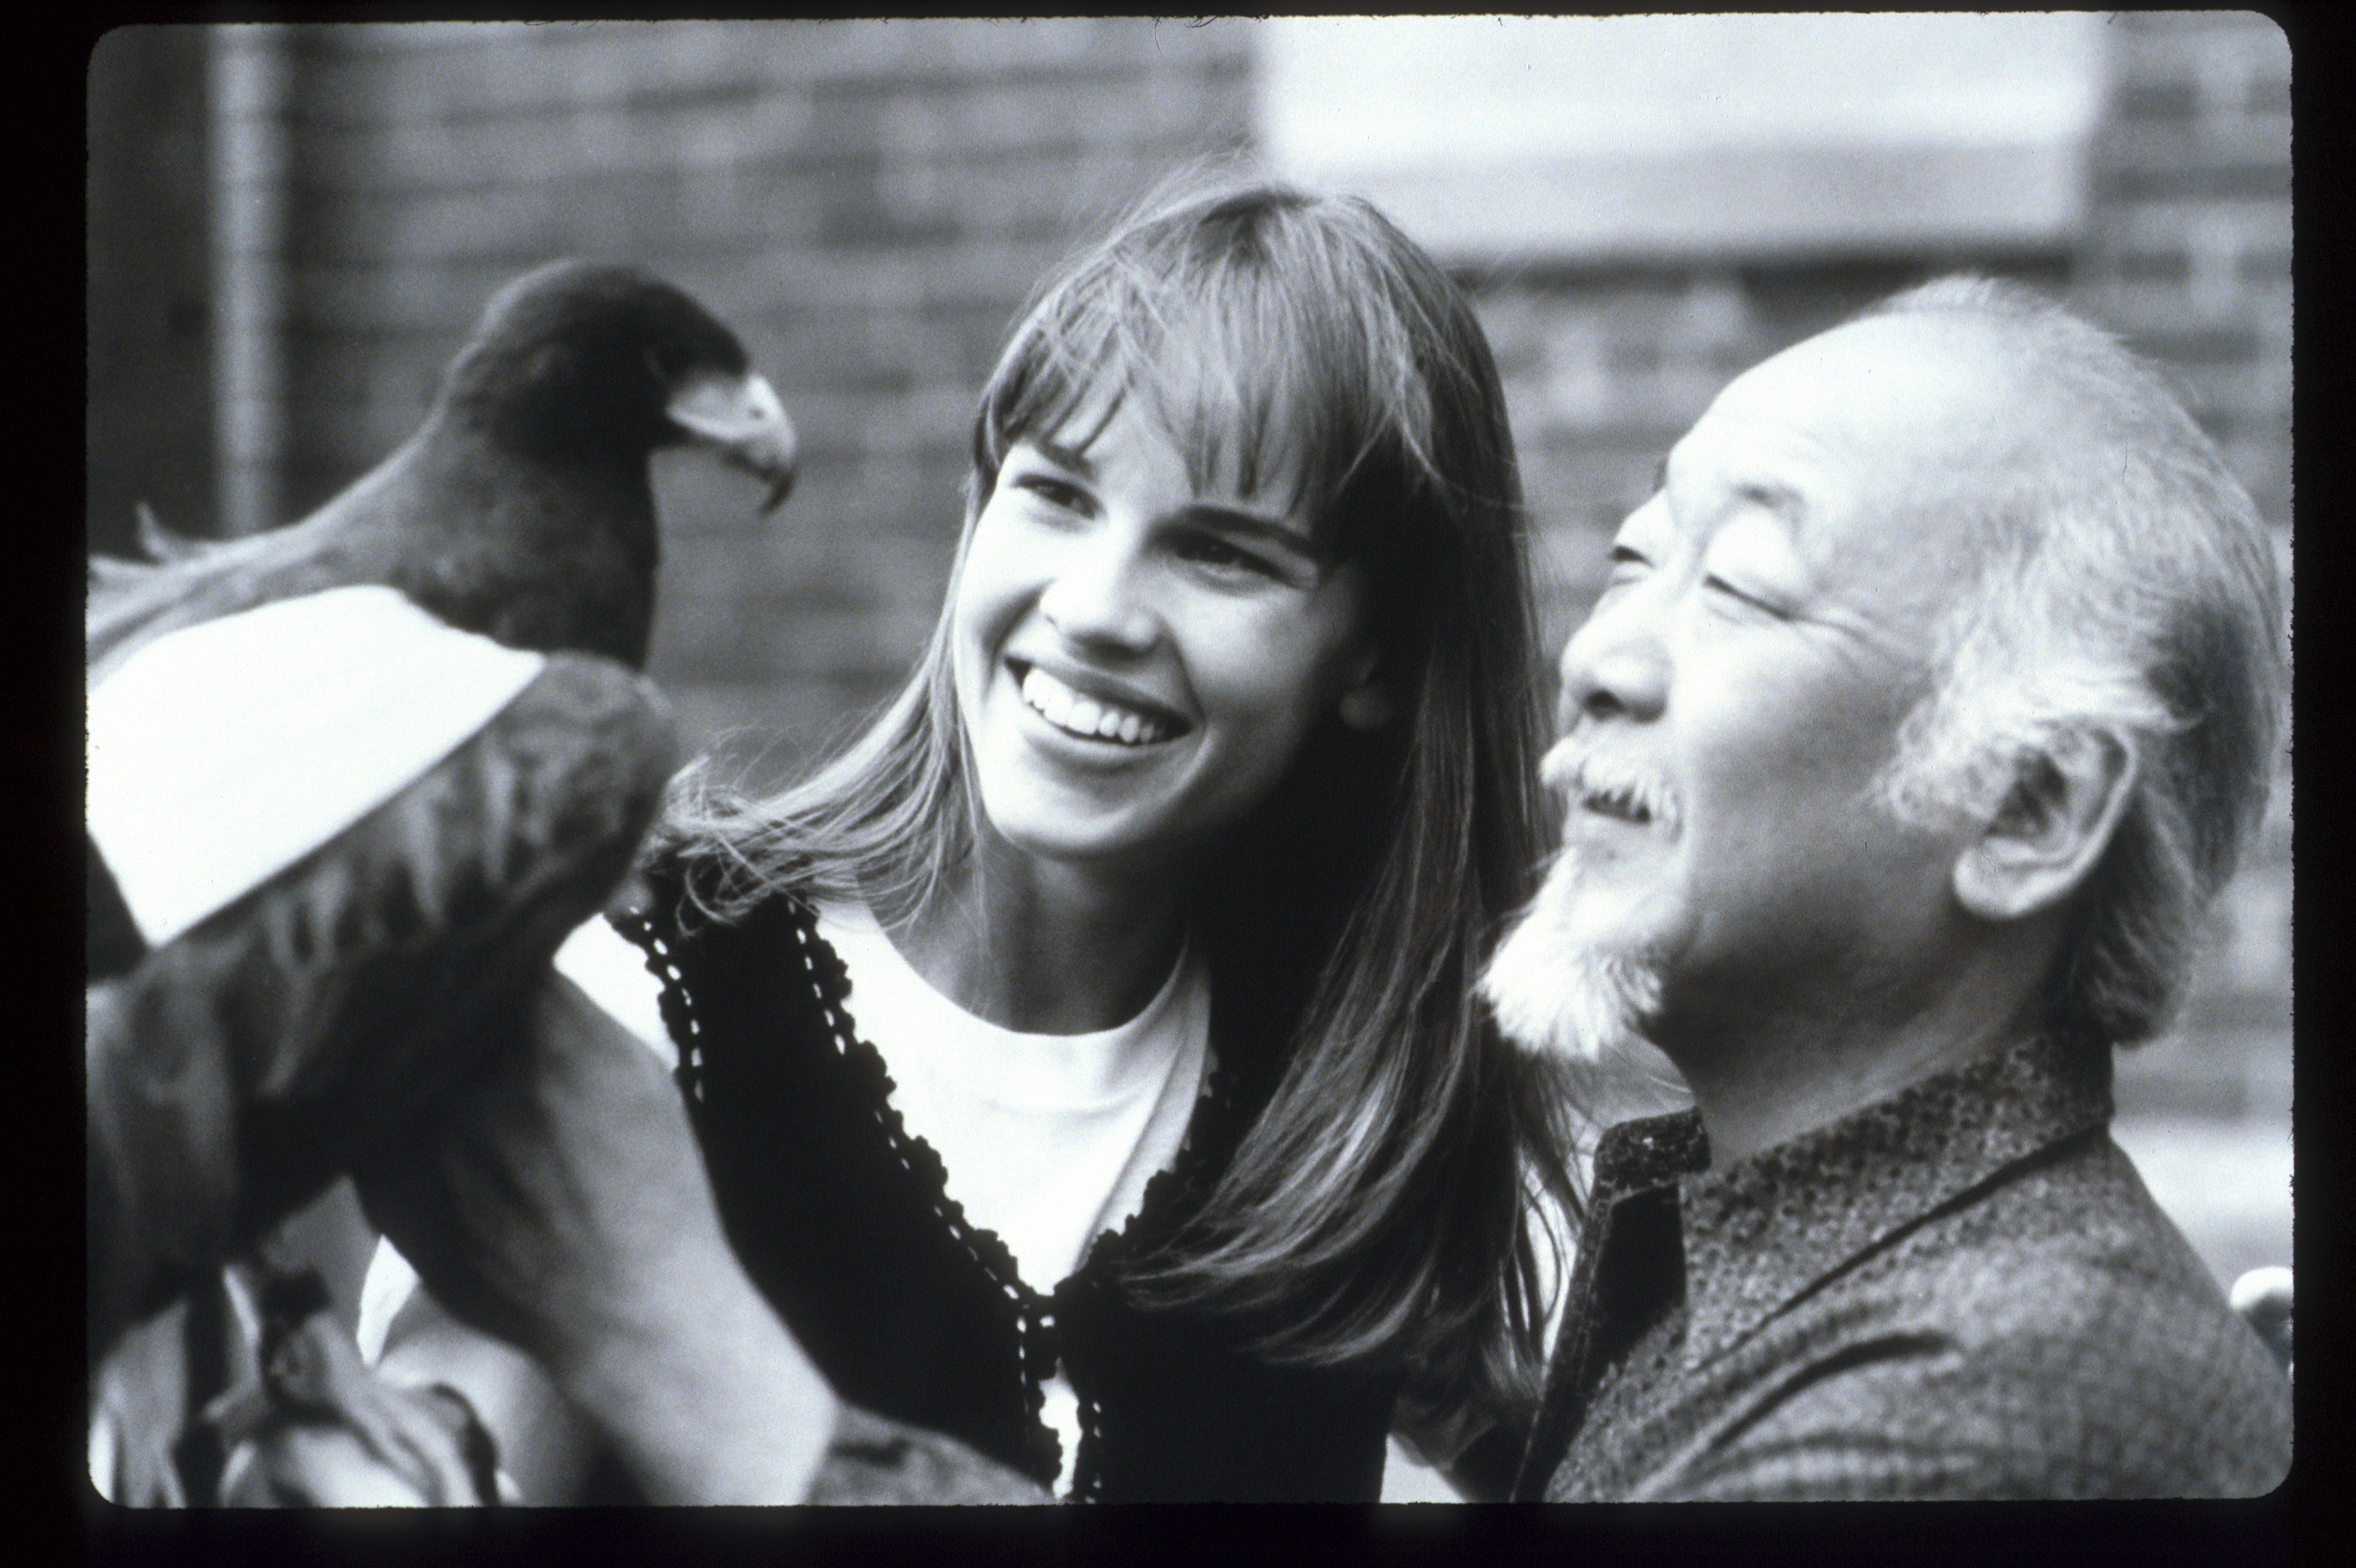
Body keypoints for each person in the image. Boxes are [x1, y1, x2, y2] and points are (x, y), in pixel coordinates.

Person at [332, 176, 1580, 1504]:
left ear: (1374, 658)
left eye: (1219, 554)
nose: (1095, 608)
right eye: (1054, 495)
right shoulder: (634, 1008)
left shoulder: (1381, 1121)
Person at [1478, 275, 2292, 1499]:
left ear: (2029, 810)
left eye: (1740, 587)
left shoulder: (1961, 1423)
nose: (1596, 657)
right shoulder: (1899, 1310)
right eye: (1632, 559)